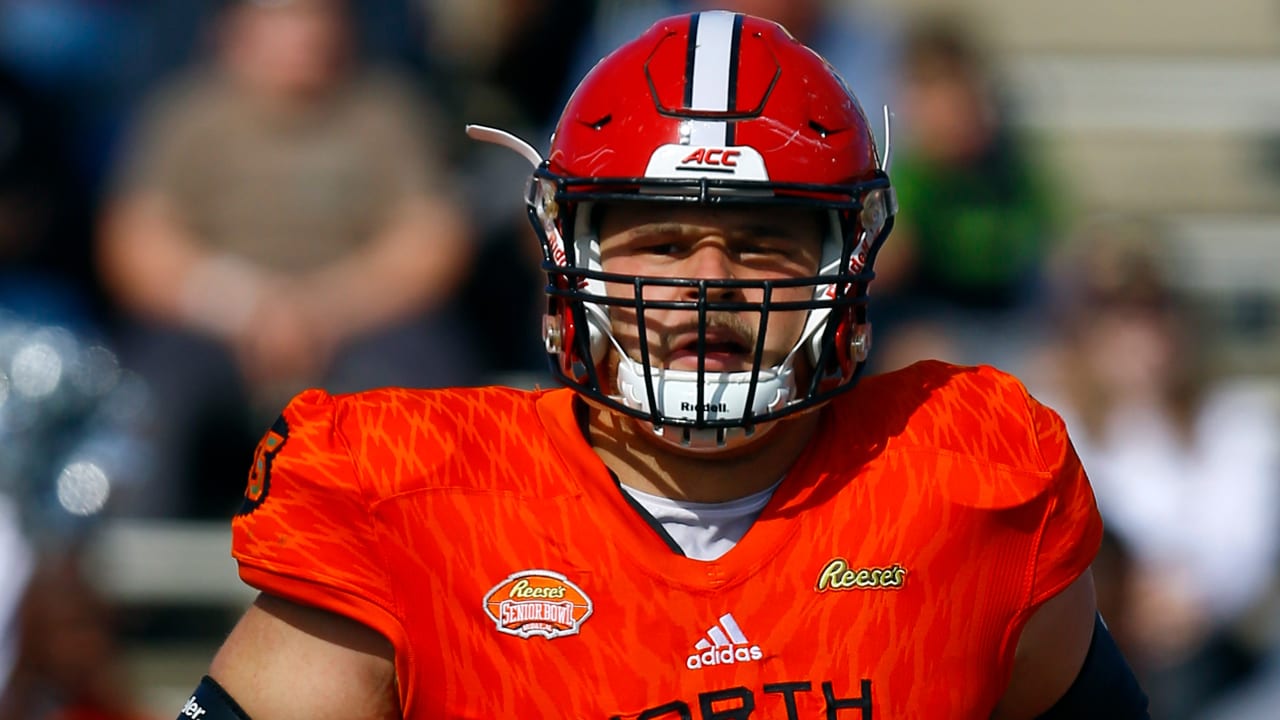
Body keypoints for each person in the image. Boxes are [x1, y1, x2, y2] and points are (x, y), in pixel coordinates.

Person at [180, 12, 1148, 719]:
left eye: (764, 242)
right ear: (569, 256)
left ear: (847, 264)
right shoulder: (415, 497)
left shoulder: (962, 482)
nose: (709, 281)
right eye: (659, 240)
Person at [97, 0, 477, 517]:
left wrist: (321, 310)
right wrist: (248, 308)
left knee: (417, 392)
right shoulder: (185, 116)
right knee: (143, 395)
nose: (306, 34)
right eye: (285, 16)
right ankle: (123, 575)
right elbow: (136, 244)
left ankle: (416, 563)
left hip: (359, 319)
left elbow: (433, 242)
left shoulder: (387, 115)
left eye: (319, 17)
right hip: (211, 324)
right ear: (234, 31)